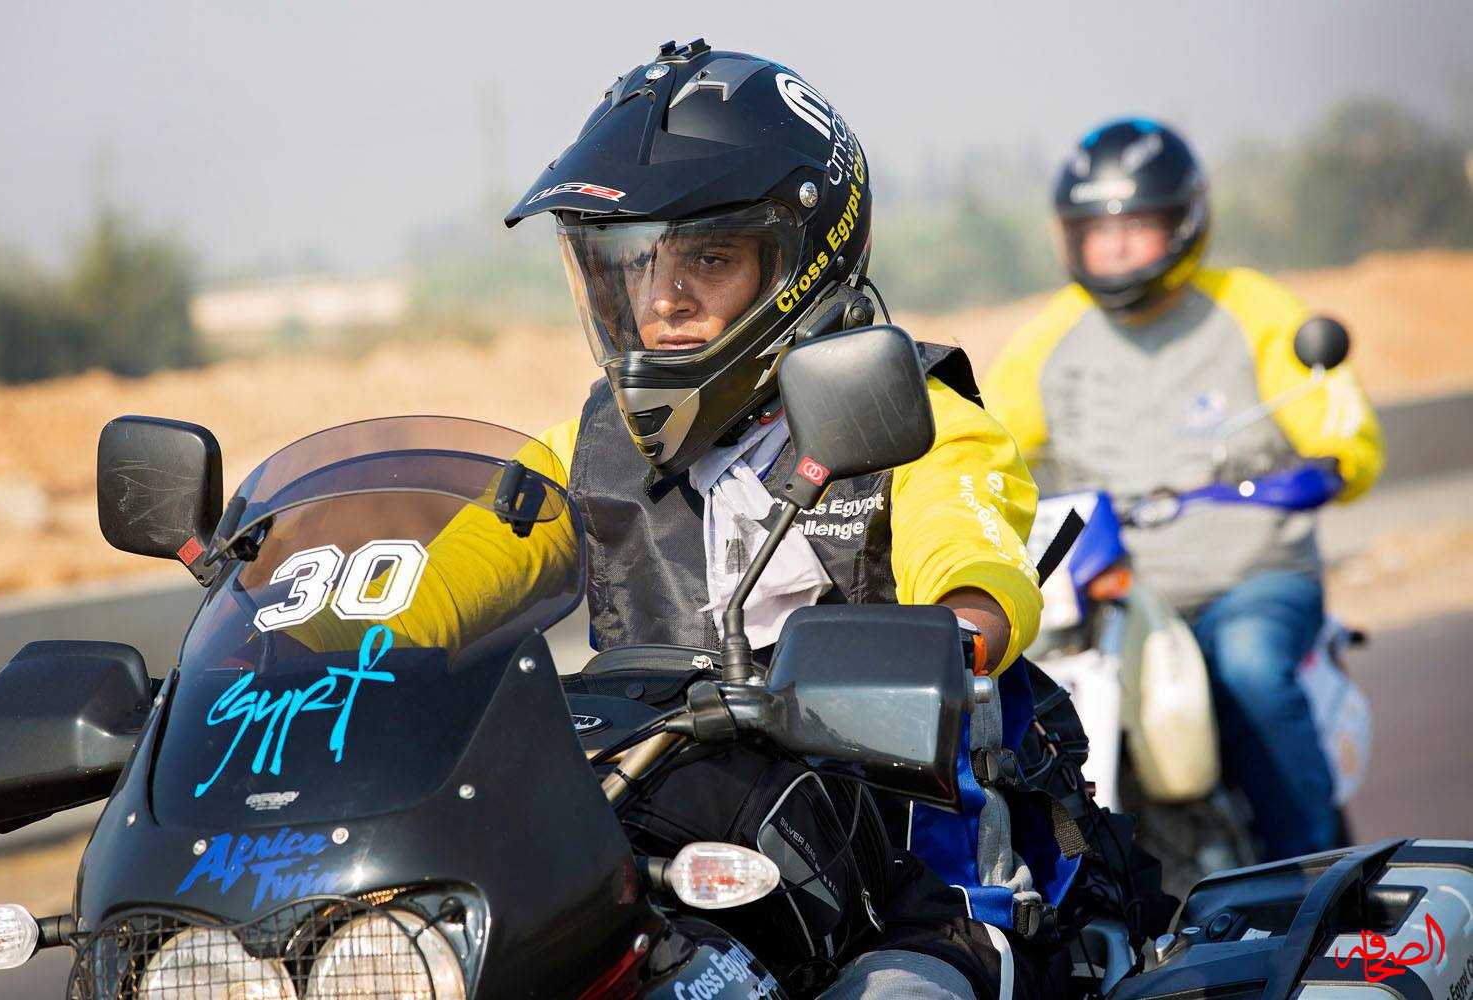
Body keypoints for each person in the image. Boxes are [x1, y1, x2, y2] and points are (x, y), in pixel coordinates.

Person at [497, 39, 1060, 1000]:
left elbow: (974, 566)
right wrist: (293, 635)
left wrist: (952, 632)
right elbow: (448, 564)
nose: (662, 301)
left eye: (708, 259)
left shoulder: (914, 423)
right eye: (632, 264)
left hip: (902, 888)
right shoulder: (584, 451)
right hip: (661, 861)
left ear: (801, 261)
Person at [982, 118, 1384, 862]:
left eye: (1134, 227)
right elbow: (987, 445)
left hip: (1250, 581)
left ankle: (1321, 873)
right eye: (1096, 232)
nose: (1114, 249)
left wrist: (1331, 463)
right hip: (1114, 596)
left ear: (1184, 221)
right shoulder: (1049, 340)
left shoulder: (1252, 307)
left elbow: (1338, 422)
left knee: (1250, 667)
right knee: (1013, 698)